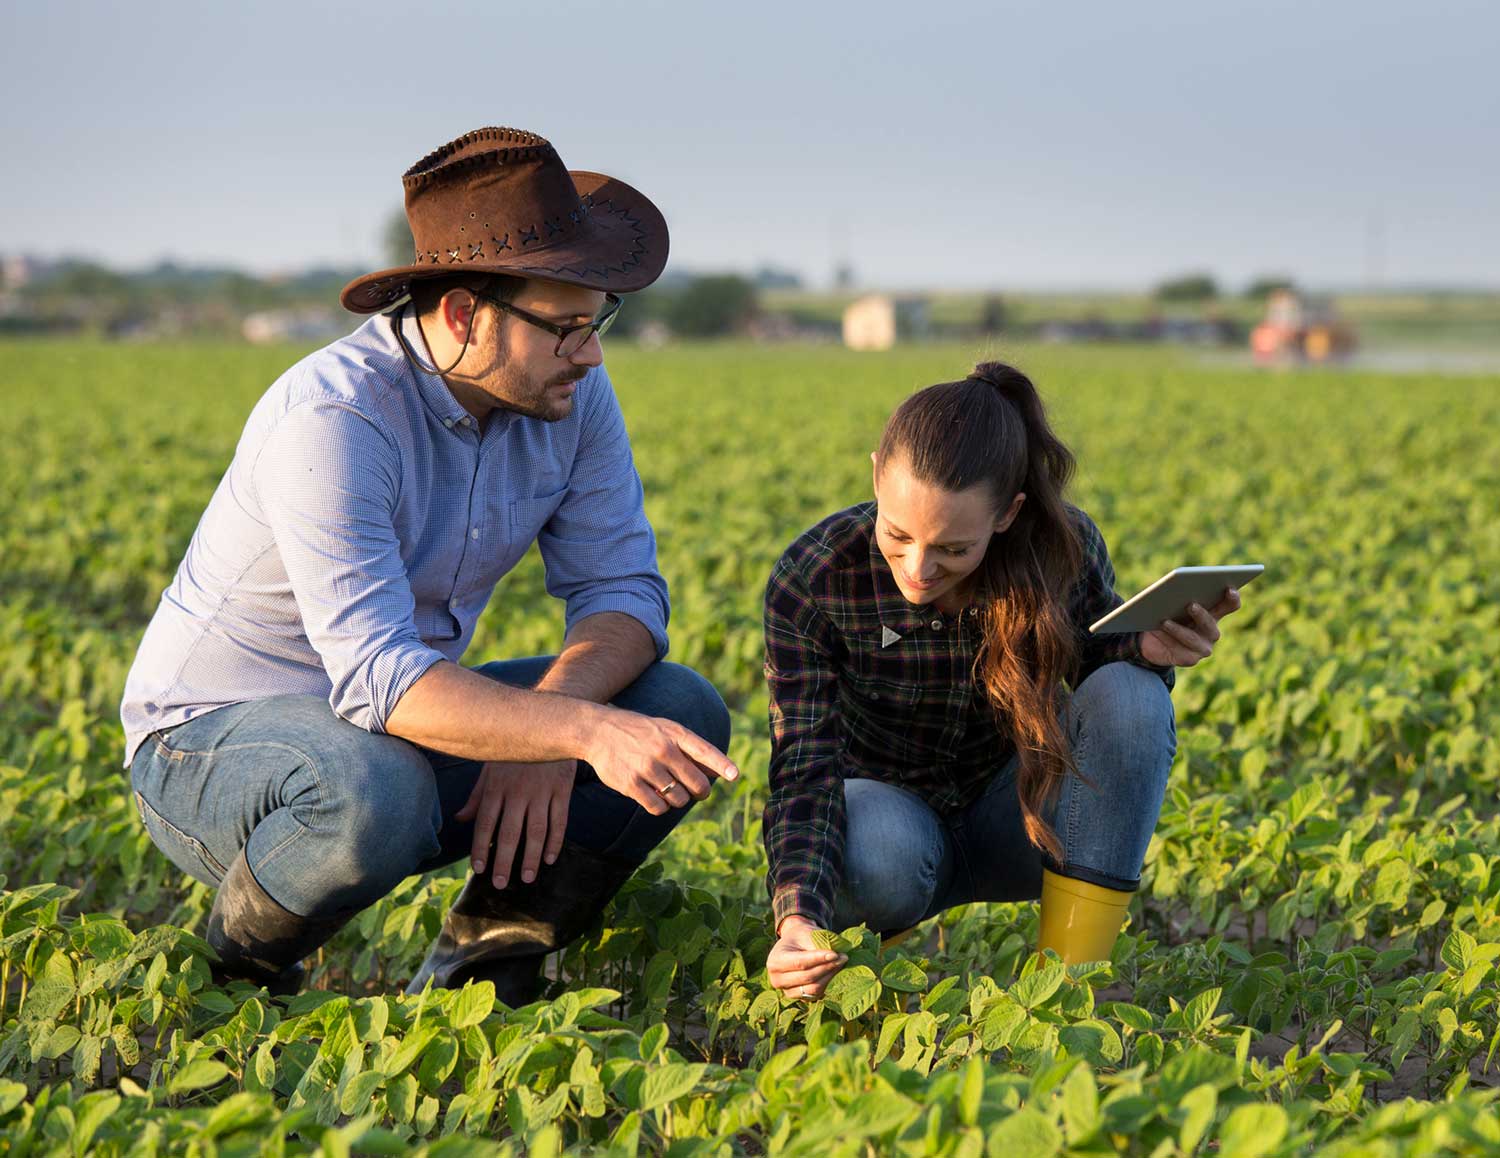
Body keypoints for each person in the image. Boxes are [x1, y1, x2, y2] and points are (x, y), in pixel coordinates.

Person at [120, 127, 738, 1002]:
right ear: (461, 314)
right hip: (206, 747)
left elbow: (625, 594)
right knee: (375, 787)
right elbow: (377, 679)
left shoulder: (571, 393)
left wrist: (552, 725)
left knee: (679, 708)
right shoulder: (334, 420)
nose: (592, 352)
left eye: (597, 320)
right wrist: (575, 732)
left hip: (386, 729)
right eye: (565, 327)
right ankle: (235, 974)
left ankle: (482, 977)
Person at [761, 362, 1242, 999]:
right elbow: (806, 764)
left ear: (1008, 514)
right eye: (898, 535)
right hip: (891, 828)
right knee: (870, 840)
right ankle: (866, 988)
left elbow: (1103, 680)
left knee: (1132, 694)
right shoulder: (815, 576)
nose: (919, 568)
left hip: (1017, 815)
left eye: (954, 549)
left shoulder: (1058, 548)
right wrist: (797, 917)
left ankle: (1066, 994)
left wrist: (1147, 648)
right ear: (878, 473)